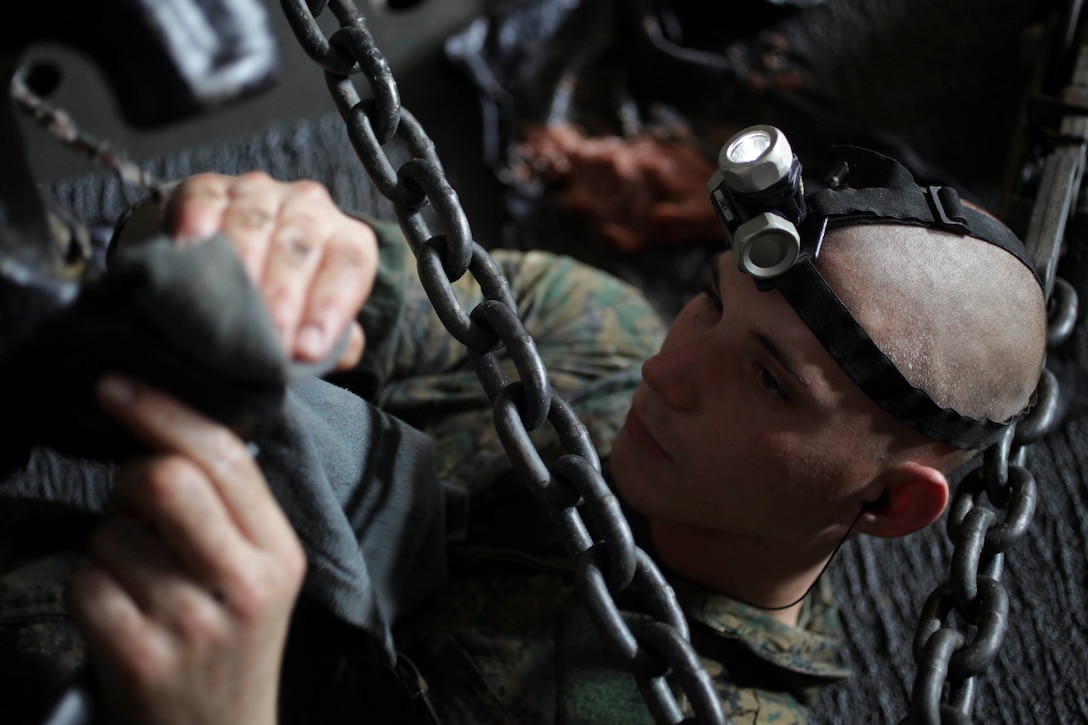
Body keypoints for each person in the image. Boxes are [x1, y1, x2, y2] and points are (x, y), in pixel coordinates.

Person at [0, 135, 1048, 725]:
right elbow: (339, 299)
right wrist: (233, 237)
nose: (667, 369)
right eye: (710, 302)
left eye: (769, 382)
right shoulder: (584, 330)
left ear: (888, 500)